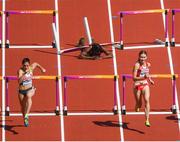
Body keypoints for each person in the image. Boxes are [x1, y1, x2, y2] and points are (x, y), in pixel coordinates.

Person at [17, 58, 46, 127]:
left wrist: (42, 69)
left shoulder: (31, 68)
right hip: (21, 91)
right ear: (22, 65)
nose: (26, 67)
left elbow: (36, 63)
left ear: (29, 65)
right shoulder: (20, 71)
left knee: (28, 96)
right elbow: (19, 81)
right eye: (24, 65)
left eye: (27, 65)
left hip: (30, 89)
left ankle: (27, 115)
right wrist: (24, 75)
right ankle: (25, 118)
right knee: (23, 107)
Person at [132, 50, 154, 127]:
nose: (143, 58)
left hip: (145, 84)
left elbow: (146, 73)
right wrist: (143, 77)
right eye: (141, 57)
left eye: (144, 57)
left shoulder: (146, 64)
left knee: (147, 100)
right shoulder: (137, 65)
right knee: (139, 104)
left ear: (146, 57)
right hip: (137, 85)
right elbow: (134, 78)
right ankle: (137, 105)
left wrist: (150, 79)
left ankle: (147, 120)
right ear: (139, 57)